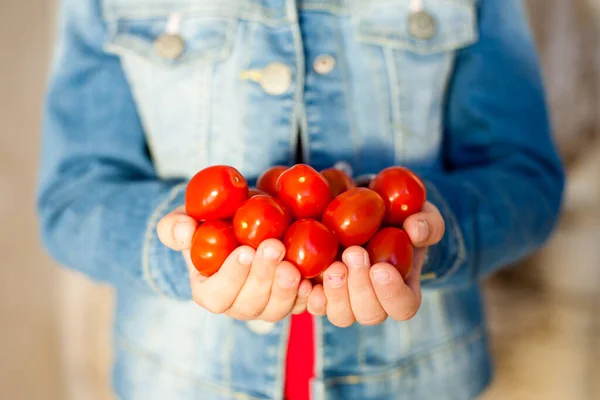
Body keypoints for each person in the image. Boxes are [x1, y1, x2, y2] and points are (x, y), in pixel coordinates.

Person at [37, 0, 564, 399]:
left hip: (420, 381)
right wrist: (180, 246)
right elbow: (73, 194)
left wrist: (436, 231)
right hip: (176, 381)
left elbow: (527, 179)